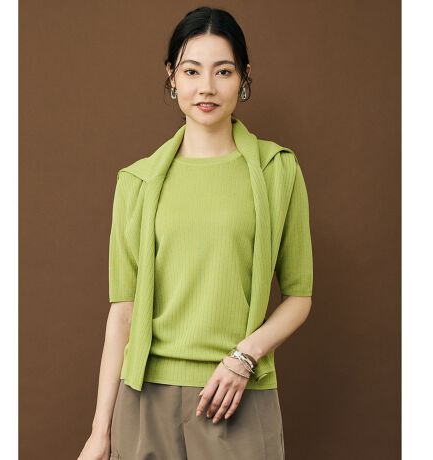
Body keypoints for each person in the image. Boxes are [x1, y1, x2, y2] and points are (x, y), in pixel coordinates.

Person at [78, 6, 313, 460]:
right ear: (172, 77)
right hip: (144, 399)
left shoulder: (277, 170)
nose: (206, 87)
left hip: (238, 394)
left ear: (244, 78)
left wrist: (245, 357)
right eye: (191, 71)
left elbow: (299, 296)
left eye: (223, 71)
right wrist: (99, 431)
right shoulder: (137, 181)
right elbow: (123, 313)